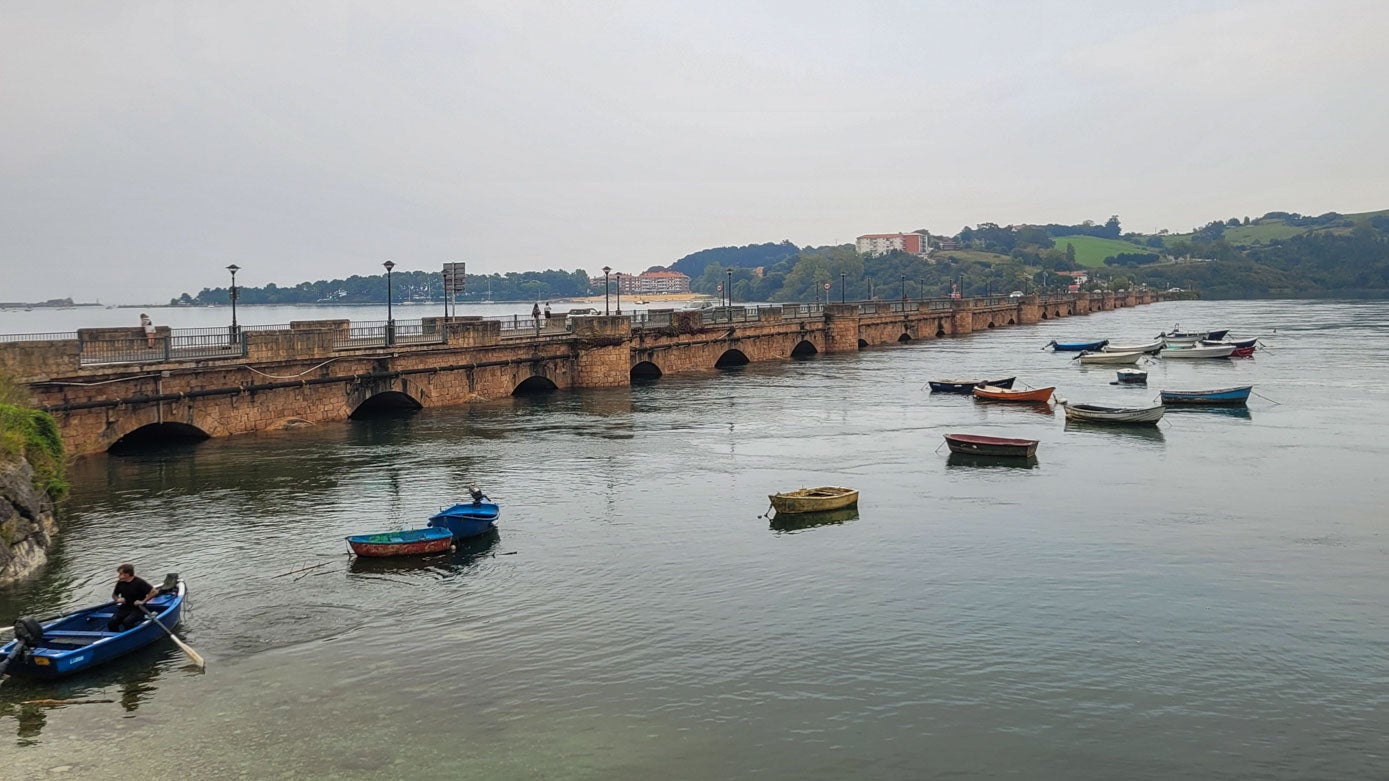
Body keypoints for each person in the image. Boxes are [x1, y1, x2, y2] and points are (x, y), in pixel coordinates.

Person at [109, 563, 157, 632]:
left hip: (139, 608)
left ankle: (131, 635)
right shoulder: (120, 582)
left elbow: (154, 591)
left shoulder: (139, 582)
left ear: (127, 574)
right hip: (125, 607)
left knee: (127, 621)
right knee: (112, 622)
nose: (118, 576)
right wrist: (118, 599)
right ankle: (115, 636)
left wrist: (143, 601)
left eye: (120, 574)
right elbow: (114, 595)